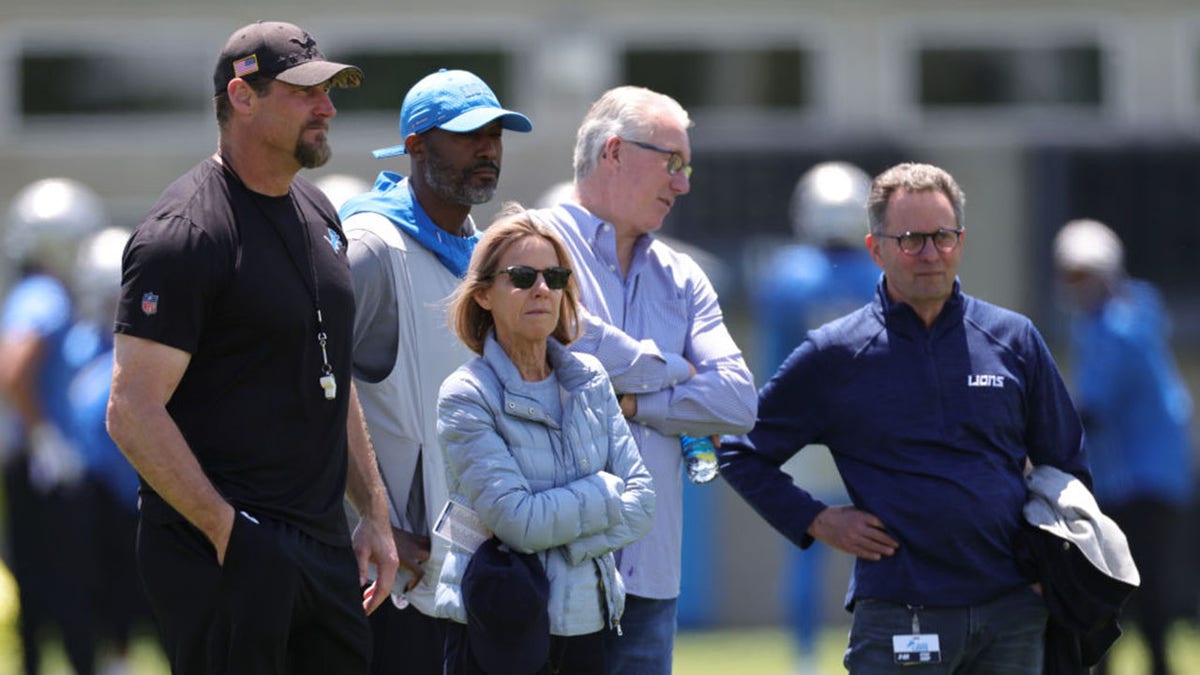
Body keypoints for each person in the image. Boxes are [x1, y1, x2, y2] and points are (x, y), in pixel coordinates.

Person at [104, 21, 398, 674]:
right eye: (305, 93)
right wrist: (227, 529)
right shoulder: (184, 233)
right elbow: (131, 409)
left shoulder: (319, 213)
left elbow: (332, 370)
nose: (327, 108)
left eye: (329, 92)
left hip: (323, 550)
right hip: (227, 555)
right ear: (242, 96)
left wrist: (373, 511)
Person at [718, 162, 1091, 673]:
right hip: (901, 612)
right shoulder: (835, 353)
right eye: (912, 239)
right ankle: (802, 656)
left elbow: (1067, 464)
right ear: (877, 249)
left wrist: (1053, 568)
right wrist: (817, 519)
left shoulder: (1015, 338)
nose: (930, 254)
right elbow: (741, 450)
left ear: (961, 241)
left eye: (942, 237)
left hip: (1013, 612)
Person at [533, 86, 758, 673]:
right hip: (546, 568)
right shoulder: (532, 241)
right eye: (672, 163)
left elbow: (737, 400)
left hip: (650, 580)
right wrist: (677, 369)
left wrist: (631, 403)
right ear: (614, 152)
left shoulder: (682, 276)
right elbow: (569, 344)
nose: (683, 184)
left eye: (687, 167)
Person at [338, 68, 532, 674]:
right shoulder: (369, 247)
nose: (488, 148)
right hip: (395, 583)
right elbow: (307, 391)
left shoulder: (482, 255)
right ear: (416, 145)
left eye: (496, 133)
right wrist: (370, 522)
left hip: (472, 577)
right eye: (468, 133)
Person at [434, 206, 655, 674]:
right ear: (485, 296)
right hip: (498, 627)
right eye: (521, 276)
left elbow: (643, 503)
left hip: (588, 624)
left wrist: (562, 541)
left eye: (554, 276)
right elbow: (518, 523)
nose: (541, 289)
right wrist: (602, 492)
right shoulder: (465, 394)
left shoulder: (591, 378)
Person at [751, 161, 879, 674]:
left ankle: (804, 657)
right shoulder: (879, 273)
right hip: (869, 431)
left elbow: (773, 360)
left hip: (803, 432)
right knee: (877, 543)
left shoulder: (786, 274)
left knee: (806, 544)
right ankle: (877, 640)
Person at [1053, 218, 1195, 675]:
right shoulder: (1124, 313)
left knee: (1126, 594)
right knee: (1126, 595)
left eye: (1084, 275)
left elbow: (1093, 407)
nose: (1076, 286)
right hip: (1142, 478)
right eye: (1069, 276)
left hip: (1143, 481)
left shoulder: (1117, 326)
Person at [1, 177, 108, 675]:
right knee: (67, 582)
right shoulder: (44, 294)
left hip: (37, 461)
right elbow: (15, 367)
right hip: (44, 464)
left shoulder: (30, 291)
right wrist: (43, 436)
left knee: (40, 583)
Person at [68, 225, 159, 675]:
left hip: (153, 491)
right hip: (102, 496)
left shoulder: (156, 346)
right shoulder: (81, 346)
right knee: (108, 600)